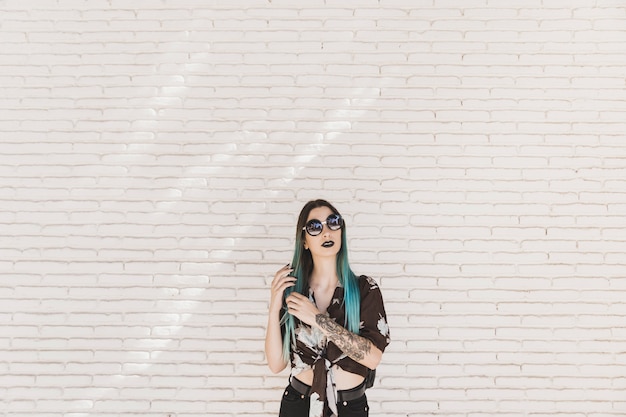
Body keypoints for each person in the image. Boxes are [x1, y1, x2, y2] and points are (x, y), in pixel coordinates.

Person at [265, 199, 390, 417]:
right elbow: (276, 364)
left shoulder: (364, 289)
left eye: (333, 222)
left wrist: (317, 319)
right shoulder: (294, 292)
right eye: (315, 227)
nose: (326, 232)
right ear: (304, 240)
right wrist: (275, 304)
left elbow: (372, 358)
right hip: (298, 403)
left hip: (349, 407)